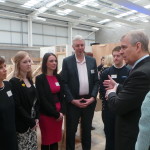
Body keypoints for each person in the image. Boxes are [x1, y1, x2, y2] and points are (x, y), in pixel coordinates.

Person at [104, 30, 150, 150]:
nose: (120, 52)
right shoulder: (144, 68)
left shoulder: (140, 73)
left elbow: (118, 106)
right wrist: (118, 86)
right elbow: (137, 95)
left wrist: (111, 92)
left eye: (124, 47)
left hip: (131, 137)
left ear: (138, 46)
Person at [61, 35, 99, 150]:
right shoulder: (67, 61)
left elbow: (96, 81)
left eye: (82, 45)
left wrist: (92, 97)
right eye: (77, 45)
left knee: (87, 130)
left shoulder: (92, 61)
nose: (80, 47)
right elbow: (64, 82)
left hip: (89, 102)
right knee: (71, 131)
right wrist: (72, 100)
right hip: (73, 103)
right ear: (73, 47)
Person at [99, 46, 130, 150]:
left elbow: (129, 91)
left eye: (118, 55)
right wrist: (111, 95)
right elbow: (102, 91)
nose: (116, 58)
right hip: (109, 109)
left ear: (122, 56)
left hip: (123, 110)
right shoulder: (106, 73)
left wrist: (115, 90)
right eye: (114, 56)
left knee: (122, 137)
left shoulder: (129, 72)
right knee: (109, 135)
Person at [9, 51, 39, 150]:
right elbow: (18, 106)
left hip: (33, 123)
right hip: (23, 125)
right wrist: (31, 121)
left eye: (29, 61)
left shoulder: (29, 79)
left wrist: (37, 117)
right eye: (25, 62)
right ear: (18, 65)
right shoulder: (14, 82)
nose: (29, 64)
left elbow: (35, 101)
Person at [35, 53, 65, 150]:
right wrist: (55, 114)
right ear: (45, 63)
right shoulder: (40, 79)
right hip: (47, 115)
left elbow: (62, 96)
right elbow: (42, 100)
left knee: (55, 140)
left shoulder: (58, 77)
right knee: (46, 141)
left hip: (59, 115)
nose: (54, 63)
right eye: (51, 61)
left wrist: (61, 112)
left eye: (55, 61)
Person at [0, 56, 17, 150]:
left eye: (5, 66)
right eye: (1, 67)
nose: (5, 70)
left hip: (12, 135)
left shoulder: (8, 85)